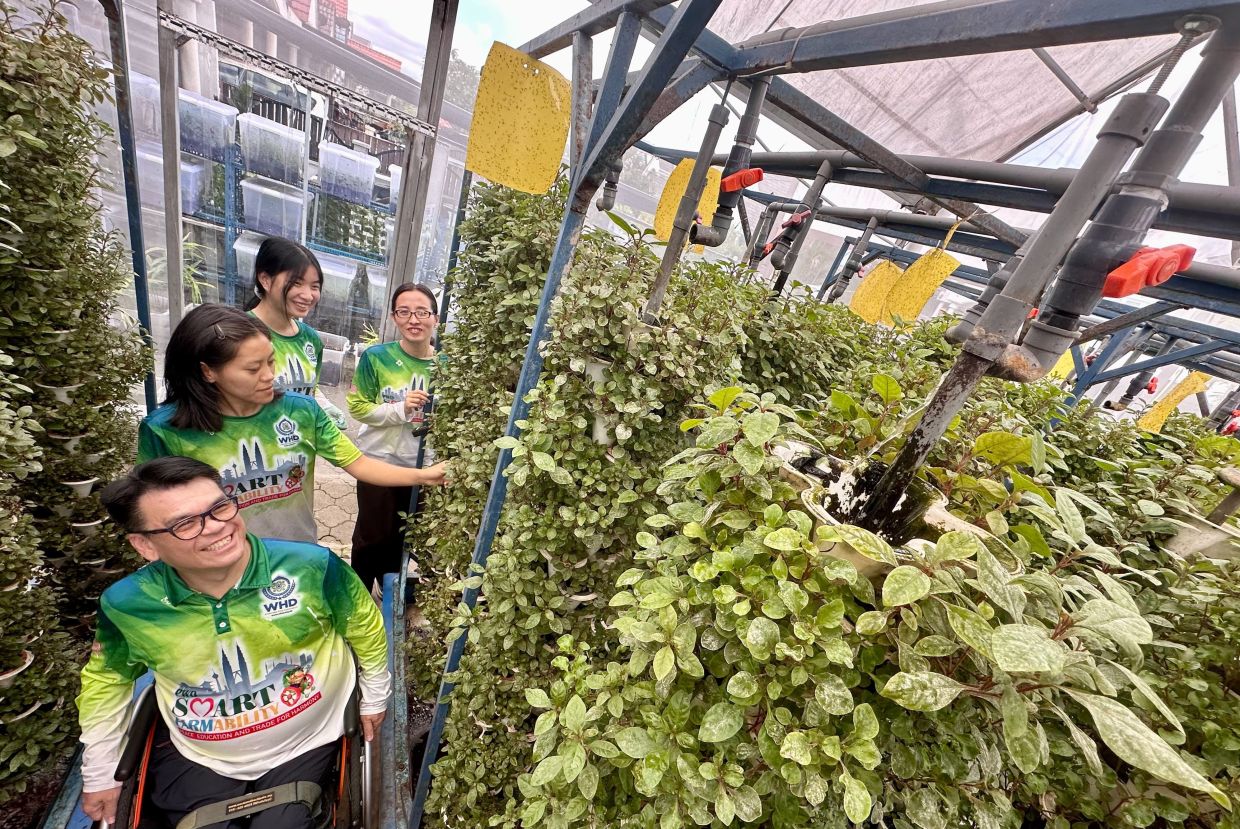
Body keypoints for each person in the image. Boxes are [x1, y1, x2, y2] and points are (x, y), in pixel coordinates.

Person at [78, 457, 390, 827]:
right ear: (145, 544)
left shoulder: (311, 567)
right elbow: (107, 679)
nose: (216, 527)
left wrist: (375, 694)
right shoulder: (129, 605)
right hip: (197, 752)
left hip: (305, 740)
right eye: (185, 524)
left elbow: (364, 625)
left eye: (220, 507)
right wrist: (100, 771)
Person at [137, 304, 447, 543]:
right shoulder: (165, 431)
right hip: (216, 559)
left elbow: (360, 464)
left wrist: (425, 476)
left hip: (296, 552)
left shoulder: (301, 411)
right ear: (208, 371)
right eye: (253, 368)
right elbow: (156, 510)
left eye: (271, 361)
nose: (270, 375)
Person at [346, 283, 439, 593]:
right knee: (371, 536)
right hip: (379, 462)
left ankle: (390, 593)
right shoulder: (376, 358)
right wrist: (401, 409)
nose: (414, 320)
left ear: (435, 318)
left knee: (404, 536)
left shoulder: (447, 367)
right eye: (404, 312)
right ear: (394, 317)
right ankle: (358, 596)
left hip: (422, 466)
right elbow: (358, 407)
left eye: (422, 312)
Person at [244, 236, 347, 428]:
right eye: (296, 283)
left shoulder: (310, 339)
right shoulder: (239, 332)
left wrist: (322, 405)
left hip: (298, 441)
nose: (308, 295)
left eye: (314, 286)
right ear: (265, 280)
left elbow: (308, 388)